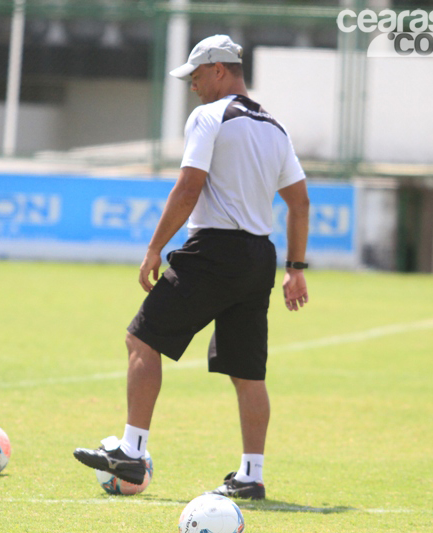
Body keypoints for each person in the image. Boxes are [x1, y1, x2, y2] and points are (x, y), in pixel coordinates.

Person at [73, 35, 310, 500]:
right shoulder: (274, 127)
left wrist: (154, 248)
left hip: (214, 250)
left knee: (142, 337)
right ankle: (251, 476)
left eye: (197, 77)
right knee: (248, 373)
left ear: (220, 70)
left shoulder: (209, 116)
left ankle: (132, 451)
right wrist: (296, 267)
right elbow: (299, 202)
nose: (193, 87)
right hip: (258, 257)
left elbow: (188, 188)